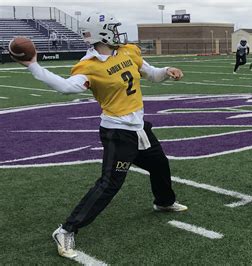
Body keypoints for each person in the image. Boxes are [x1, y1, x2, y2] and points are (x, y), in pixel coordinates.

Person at [12, 12, 187, 259]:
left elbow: (151, 74)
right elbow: (65, 88)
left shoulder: (128, 51)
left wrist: (168, 70)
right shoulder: (89, 65)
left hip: (139, 127)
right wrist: (34, 66)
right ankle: (66, 229)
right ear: (101, 33)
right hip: (118, 132)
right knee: (110, 183)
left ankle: (164, 202)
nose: (117, 33)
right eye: (112, 29)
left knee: (159, 164)